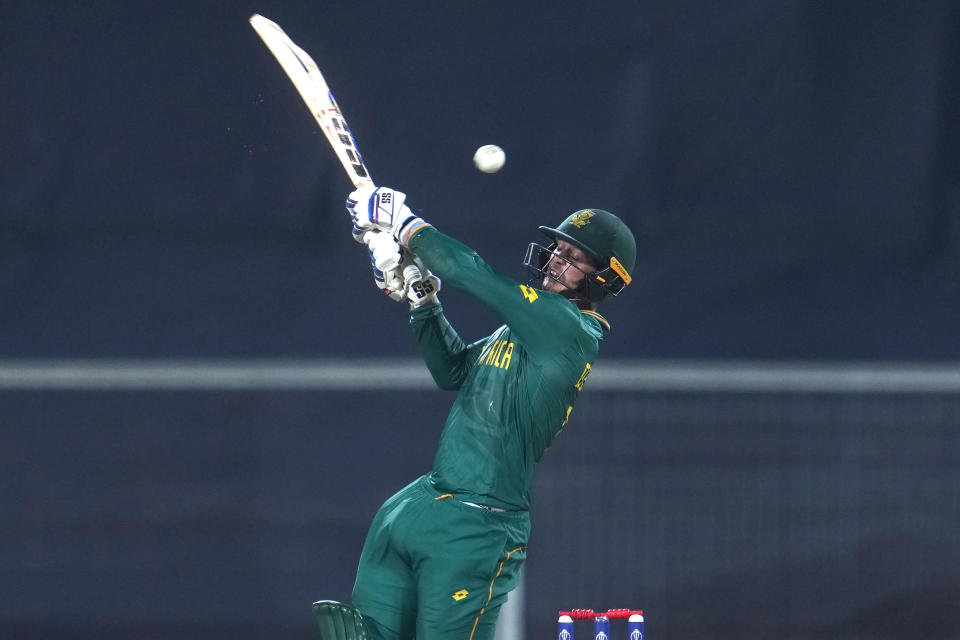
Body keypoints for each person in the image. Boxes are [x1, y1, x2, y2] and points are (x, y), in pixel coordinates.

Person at [313, 185, 637, 640]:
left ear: (604, 277)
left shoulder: (570, 330)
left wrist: (407, 226)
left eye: (574, 256)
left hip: (479, 523)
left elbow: (470, 273)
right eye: (558, 249)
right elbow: (455, 372)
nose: (556, 260)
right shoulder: (528, 327)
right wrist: (423, 299)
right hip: (420, 503)